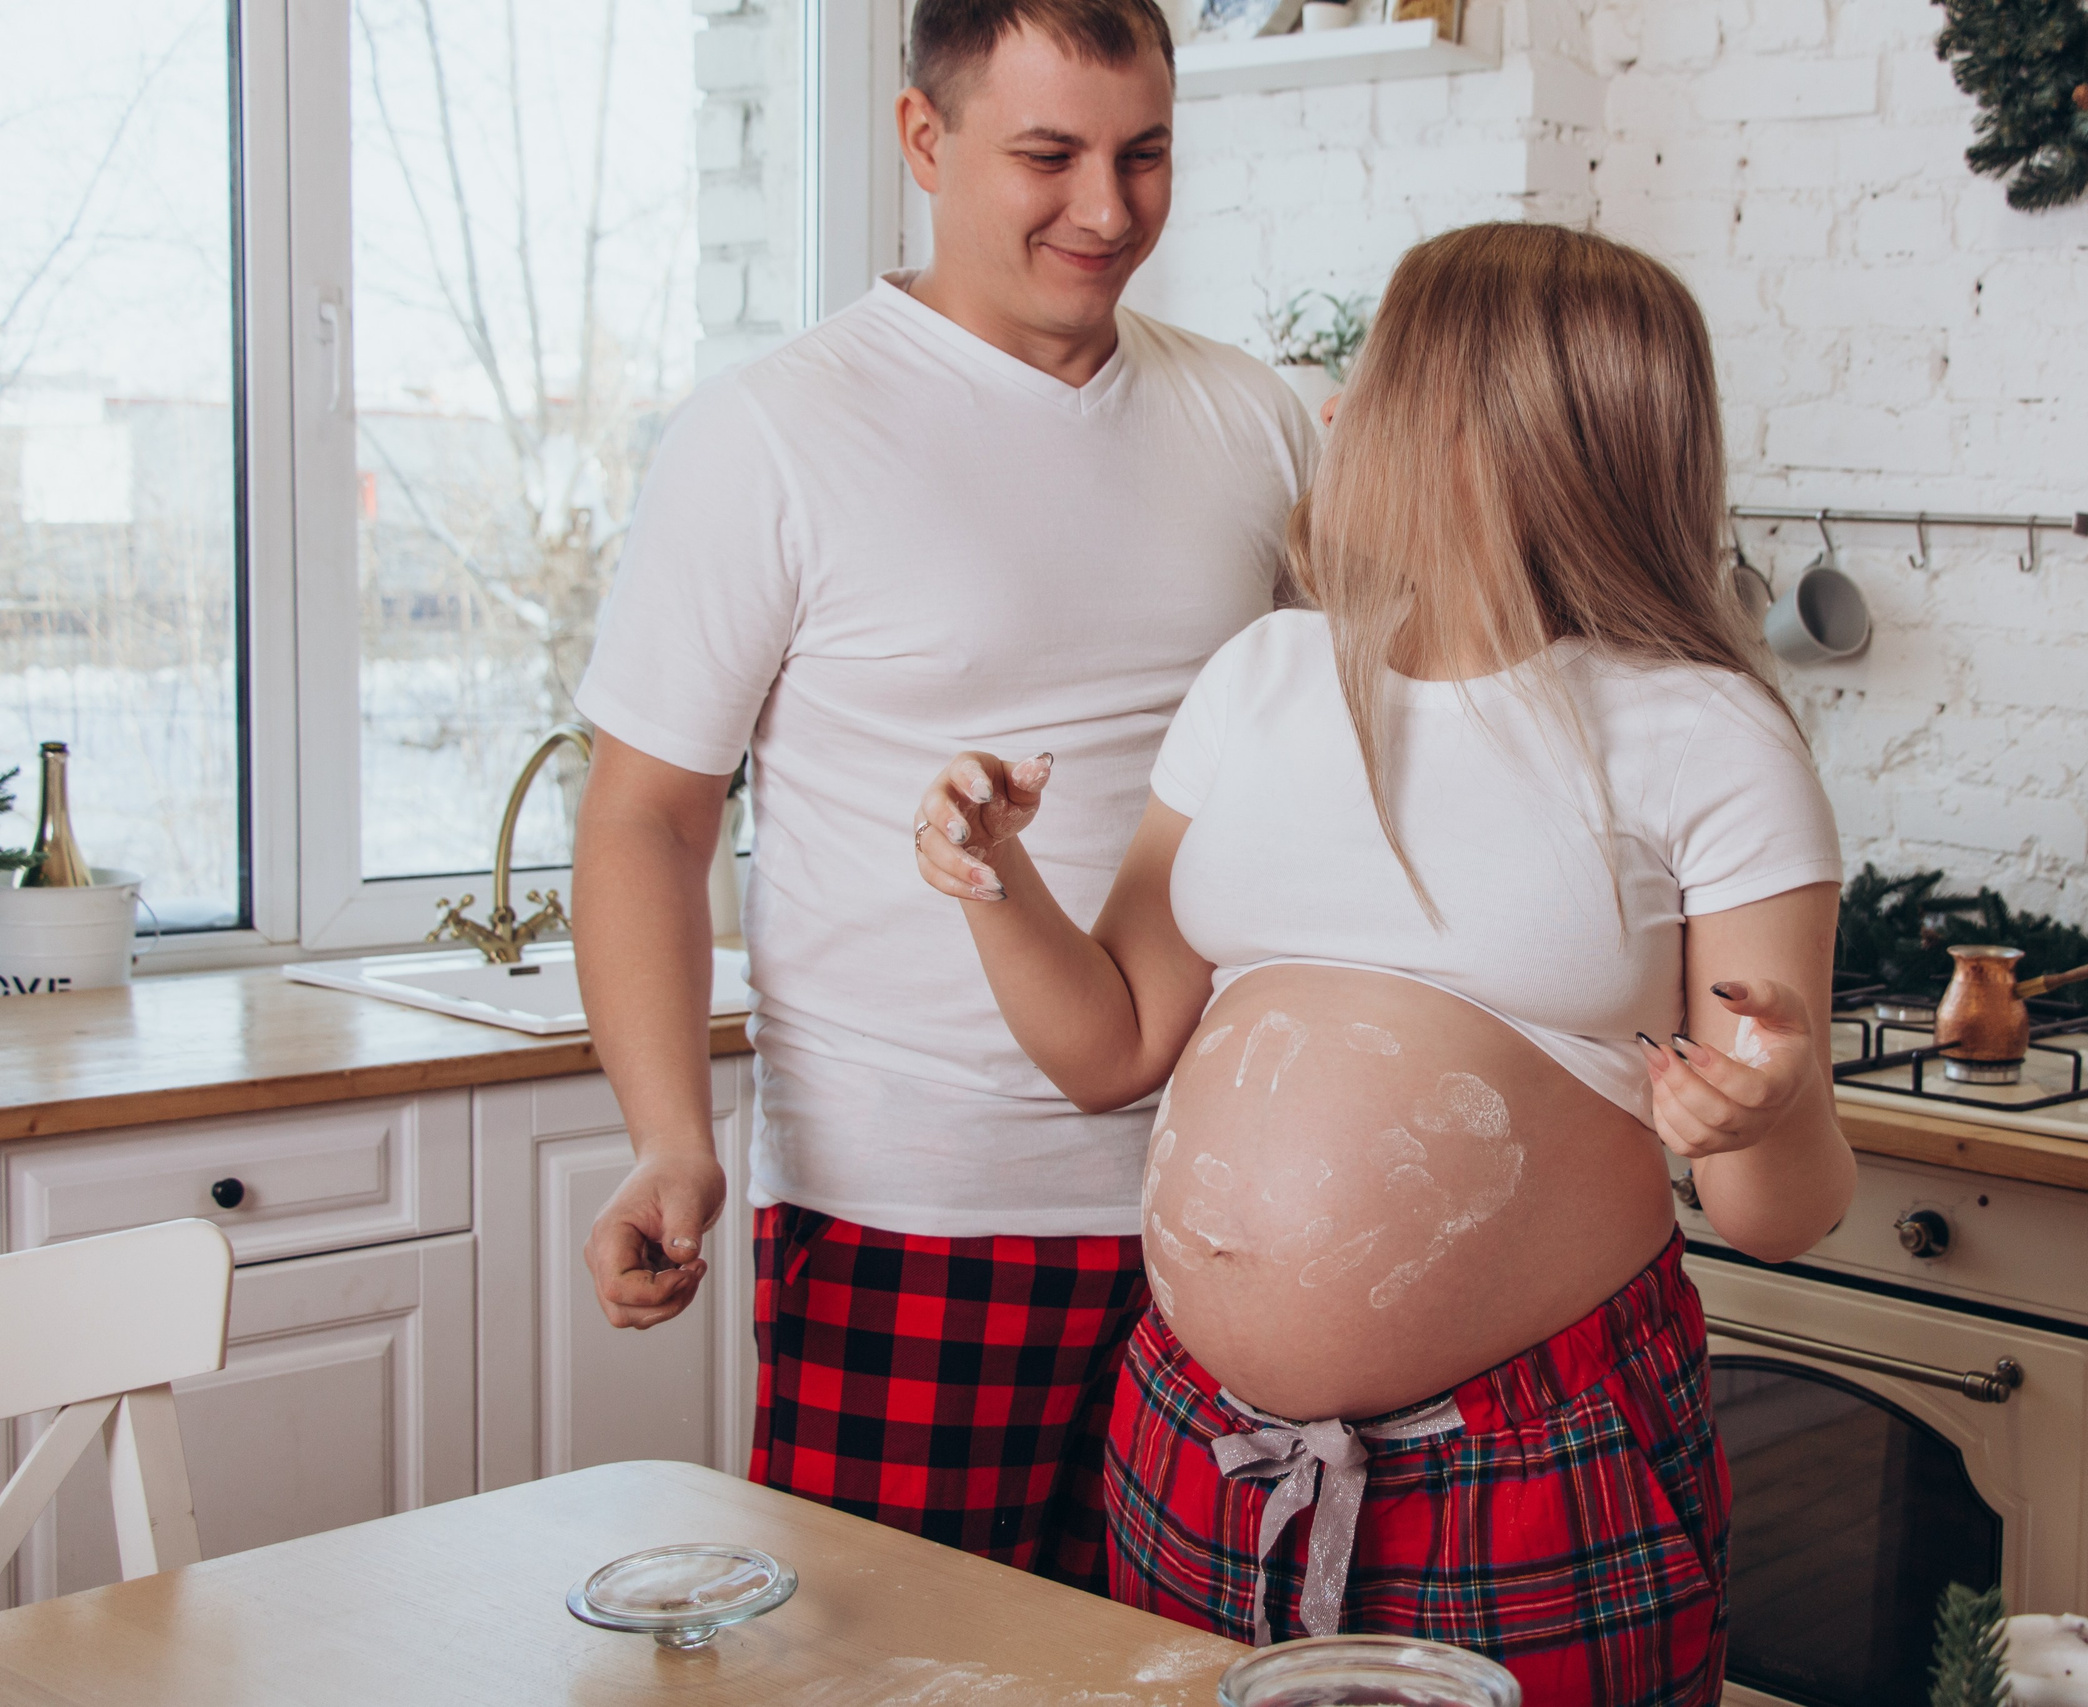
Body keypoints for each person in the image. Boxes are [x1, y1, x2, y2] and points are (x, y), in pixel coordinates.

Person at [910, 222, 1856, 1704]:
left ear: (1505, 431)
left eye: (1380, 377)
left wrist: (1768, 1110)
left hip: (1532, 1457)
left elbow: (1780, 1211)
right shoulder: (1266, 676)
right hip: (1200, 1441)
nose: (1336, 411)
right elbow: (1109, 1046)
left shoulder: (1704, 733)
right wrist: (994, 880)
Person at [570, 0, 1318, 1592]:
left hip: (1226, 1211)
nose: (1107, 211)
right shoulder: (772, 434)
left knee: (1184, 1682)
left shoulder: (1253, 419)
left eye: (1146, 154)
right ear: (924, 139)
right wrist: (667, 1139)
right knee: (879, 1669)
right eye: (1047, 155)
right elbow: (647, 818)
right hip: (912, 1215)